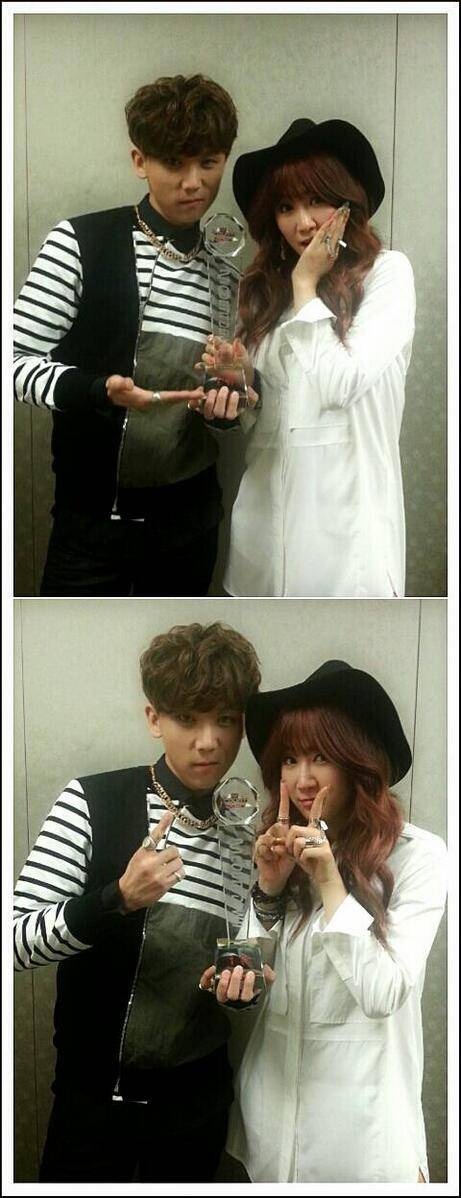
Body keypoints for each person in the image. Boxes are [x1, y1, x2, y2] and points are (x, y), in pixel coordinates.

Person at [13, 621, 262, 1182]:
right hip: (95, 1111)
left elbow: (240, 964)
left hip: (199, 1114)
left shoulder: (245, 836)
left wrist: (244, 989)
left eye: (226, 720)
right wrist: (117, 899)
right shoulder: (93, 802)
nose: (208, 741)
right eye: (187, 718)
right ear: (154, 718)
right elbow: (16, 944)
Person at [200, 660, 447, 1182]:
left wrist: (330, 881)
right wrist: (269, 888)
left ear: (359, 763)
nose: (302, 779)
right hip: (268, 1135)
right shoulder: (281, 846)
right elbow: (249, 987)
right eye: (290, 759)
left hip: (361, 1145)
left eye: (321, 757)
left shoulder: (418, 856)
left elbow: (383, 992)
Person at [13, 74, 244, 597]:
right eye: (173, 163)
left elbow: (229, 393)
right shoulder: (81, 241)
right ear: (140, 160)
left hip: (191, 527)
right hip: (90, 528)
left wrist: (228, 405)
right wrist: (98, 390)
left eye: (209, 162)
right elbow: (14, 360)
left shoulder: (227, 275)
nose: (193, 182)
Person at [200, 118, 416, 597]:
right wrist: (243, 386)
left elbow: (341, 385)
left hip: (346, 543)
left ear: (347, 202)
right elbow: (270, 425)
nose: (303, 222)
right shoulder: (265, 293)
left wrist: (306, 284)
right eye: (286, 207)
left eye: (317, 200)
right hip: (262, 537)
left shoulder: (387, 275)